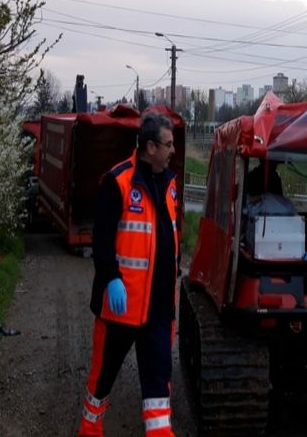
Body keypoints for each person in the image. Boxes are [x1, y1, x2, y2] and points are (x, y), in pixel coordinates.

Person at [76, 112, 179, 437]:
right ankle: (89, 429)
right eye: (168, 144)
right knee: (103, 376)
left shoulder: (171, 183)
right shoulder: (117, 181)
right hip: (119, 308)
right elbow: (102, 239)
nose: (173, 150)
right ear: (150, 147)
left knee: (159, 382)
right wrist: (112, 278)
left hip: (159, 310)